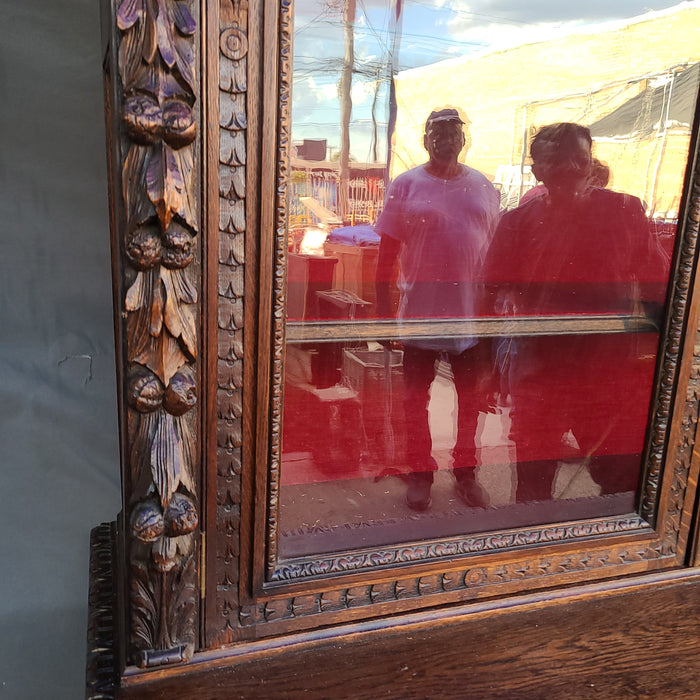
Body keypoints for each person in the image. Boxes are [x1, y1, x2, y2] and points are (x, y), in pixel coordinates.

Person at [482, 122, 669, 503]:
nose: (571, 169)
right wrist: (486, 366)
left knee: (621, 481)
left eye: (579, 159)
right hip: (539, 372)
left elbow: (658, 285)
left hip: (606, 373)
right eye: (557, 161)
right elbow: (488, 297)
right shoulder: (515, 223)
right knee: (533, 486)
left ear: (590, 163)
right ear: (537, 171)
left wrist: (654, 361)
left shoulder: (624, 211)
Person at [375, 107, 500, 510]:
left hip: (472, 318)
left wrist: (494, 313)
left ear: (464, 139)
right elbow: (386, 256)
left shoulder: (484, 186)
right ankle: (420, 475)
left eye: (453, 132)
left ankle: (466, 474)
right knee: (415, 403)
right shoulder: (406, 185)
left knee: (471, 404)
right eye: (437, 132)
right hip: (419, 317)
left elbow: (493, 253)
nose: (446, 139)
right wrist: (381, 315)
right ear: (425, 140)